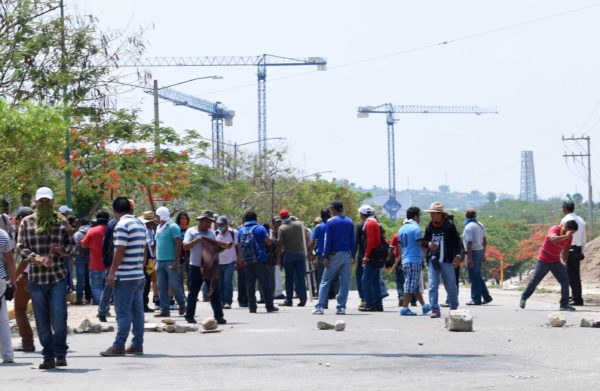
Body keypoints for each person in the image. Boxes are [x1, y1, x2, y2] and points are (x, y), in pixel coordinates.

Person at [17, 187, 74, 369]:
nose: (44, 204)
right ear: (36, 202)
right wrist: (37, 258)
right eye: (41, 201)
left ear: (52, 201)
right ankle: (48, 356)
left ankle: (60, 353)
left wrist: (62, 251)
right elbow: (20, 247)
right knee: (41, 319)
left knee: (59, 316)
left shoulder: (62, 221)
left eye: (47, 201)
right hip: (36, 276)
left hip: (57, 275)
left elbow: (74, 246)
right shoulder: (26, 222)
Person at [100, 197, 147, 356]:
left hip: (125, 276)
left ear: (115, 210)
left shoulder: (121, 225)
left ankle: (119, 345)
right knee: (138, 312)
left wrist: (112, 272)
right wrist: (140, 267)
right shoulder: (140, 224)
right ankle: (137, 344)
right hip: (138, 274)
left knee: (123, 313)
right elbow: (145, 249)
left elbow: (119, 249)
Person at [520, 220, 578, 312]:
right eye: (571, 232)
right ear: (565, 228)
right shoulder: (555, 229)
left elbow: (566, 250)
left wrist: (565, 262)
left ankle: (564, 304)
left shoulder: (569, 237)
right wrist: (566, 235)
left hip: (555, 261)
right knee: (535, 280)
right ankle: (524, 297)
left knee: (565, 280)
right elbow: (553, 238)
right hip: (544, 260)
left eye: (573, 233)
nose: (571, 235)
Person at [183, 210, 227, 323]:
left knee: (214, 290)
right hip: (195, 266)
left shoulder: (211, 233)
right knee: (194, 292)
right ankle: (189, 316)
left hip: (208, 266)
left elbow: (215, 248)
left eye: (210, 222)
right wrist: (196, 241)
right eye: (207, 222)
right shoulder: (191, 231)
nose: (209, 225)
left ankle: (219, 316)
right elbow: (185, 246)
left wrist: (223, 247)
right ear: (201, 221)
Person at [313, 201, 354, 315]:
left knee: (325, 280)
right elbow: (352, 240)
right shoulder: (349, 222)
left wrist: (325, 256)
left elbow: (328, 240)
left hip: (334, 255)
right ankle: (341, 307)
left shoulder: (330, 222)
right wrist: (353, 256)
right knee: (345, 282)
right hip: (347, 254)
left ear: (333, 209)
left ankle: (320, 307)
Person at [422, 202, 462, 318]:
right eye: (430, 213)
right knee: (433, 285)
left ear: (440, 214)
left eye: (433, 213)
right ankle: (435, 309)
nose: (431, 216)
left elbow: (457, 242)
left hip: (447, 260)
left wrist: (458, 256)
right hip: (433, 260)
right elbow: (424, 241)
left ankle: (454, 308)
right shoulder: (429, 226)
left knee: (450, 286)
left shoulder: (449, 226)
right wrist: (428, 244)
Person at [393, 207, 432, 316]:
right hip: (414, 260)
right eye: (419, 216)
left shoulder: (402, 229)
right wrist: (428, 251)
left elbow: (399, 246)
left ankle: (424, 306)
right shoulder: (416, 228)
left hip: (405, 260)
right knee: (410, 285)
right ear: (416, 216)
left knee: (414, 285)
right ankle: (405, 308)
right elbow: (420, 244)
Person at [239, 211, 279, 313]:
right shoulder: (260, 228)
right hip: (260, 260)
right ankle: (269, 306)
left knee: (250, 285)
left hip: (247, 261)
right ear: (255, 219)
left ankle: (252, 307)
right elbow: (269, 242)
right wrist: (270, 233)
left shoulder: (241, 231)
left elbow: (239, 246)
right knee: (265, 284)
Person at [154, 206, 186, 317]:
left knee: (174, 284)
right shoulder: (158, 227)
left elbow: (178, 244)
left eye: (157, 215)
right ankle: (164, 310)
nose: (156, 218)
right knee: (161, 286)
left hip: (171, 260)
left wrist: (176, 261)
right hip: (159, 261)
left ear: (162, 215)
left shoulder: (173, 227)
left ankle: (182, 303)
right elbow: (157, 244)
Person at [12, 207, 36, 352]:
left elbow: (24, 259)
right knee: (46, 310)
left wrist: (13, 276)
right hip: (42, 277)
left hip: (26, 277)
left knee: (20, 311)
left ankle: (27, 342)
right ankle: (56, 341)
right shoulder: (40, 230)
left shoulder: (24, 231)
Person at [276, 209, 307, 307]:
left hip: (289, 254)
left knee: (289, 278)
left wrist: (278, 257)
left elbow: (280, 244)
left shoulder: (282, 228)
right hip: (301, 254)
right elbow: (305, 235)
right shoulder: (299, 224)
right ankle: (303, 299)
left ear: (281, 218)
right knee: (301, 277)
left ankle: (288, 300)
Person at [357, 205, 384, 312]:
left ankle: (370, 304)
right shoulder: (374, 222)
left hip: (372, 255)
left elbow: (371, 241)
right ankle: (378, 304)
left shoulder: (369, 223)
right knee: (375, 280)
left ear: (362, 214)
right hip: (377, 255)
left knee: (365, 280)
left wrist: (366, 256)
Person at [463, 208, 493, 306]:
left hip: (473, 253)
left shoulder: (469, 227)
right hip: (479, 251)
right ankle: (486, 297)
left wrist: (470, 258)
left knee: (474, 277)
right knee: (477, 276)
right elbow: (485, 241)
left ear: (466, 215)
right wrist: (483, 254)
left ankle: (476, 299)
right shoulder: (480, 225)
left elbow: (469, 244)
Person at [309, 209, 339, 307]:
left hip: (321, 255)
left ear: (321, 217)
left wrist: (310, 253)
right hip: (333, 254)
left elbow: (313, 242)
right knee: (334, 277)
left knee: (321, 279)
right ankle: (337, 298)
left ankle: (323, 302)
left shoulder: (318, 227)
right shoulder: (334, 226)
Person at [81, 211, 110, 307]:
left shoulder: (92, 230)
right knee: (108, 287)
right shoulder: (113, 230)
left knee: (96, 287)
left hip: (95, 265)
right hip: (110, 265)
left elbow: (83, 244)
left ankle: (104, 305)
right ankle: (106, 303)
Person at [560, 200, 586, 306]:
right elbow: (584, 237)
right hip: (577, 249)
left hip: (568, 249)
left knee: (570, 275)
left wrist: (561, 251)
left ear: (565, 209)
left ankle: (577, 299)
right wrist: (582, 251)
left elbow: (562, 237)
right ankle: (575, 296)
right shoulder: (581, 220)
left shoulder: (565, 220)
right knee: (575, 274)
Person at [0, 226, 17, 363]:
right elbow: (10, 261)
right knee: (3, 319)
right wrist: (13, 281)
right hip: (0, 281)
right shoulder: (3, 235)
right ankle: (7, 355)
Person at [138, 211, 157, 312]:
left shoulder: (151, 230)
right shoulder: (145, 230)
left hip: (151, 259)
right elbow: (148, 246)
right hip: (147, 259)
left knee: (148, 281)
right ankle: (142, 304)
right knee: (145, 282)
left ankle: (144, 303)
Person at [73, 217, 92, 304]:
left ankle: (79, 299)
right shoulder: (92, 231)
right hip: (91, 257)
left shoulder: (77, 234)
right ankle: (89, 298)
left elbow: (74, 246)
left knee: (80, 279)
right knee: (90, 278)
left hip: (79, 257)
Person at [175, 211, 191, 291]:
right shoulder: (176, 230)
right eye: (182, 218)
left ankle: (192, 293)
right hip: (180, 256)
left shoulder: (190, 230)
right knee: (181, 276)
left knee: (190, 275)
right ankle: (182, 294)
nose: (184, 220)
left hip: (190, 255)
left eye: (185, 218)